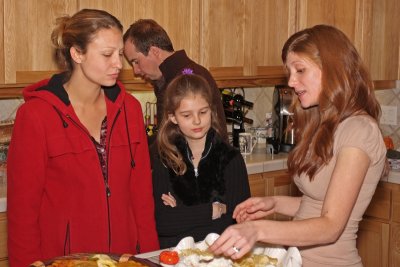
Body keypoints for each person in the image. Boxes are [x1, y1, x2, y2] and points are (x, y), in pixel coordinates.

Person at [209, 24, 389, 267]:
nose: (292, 82)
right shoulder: (325, 124)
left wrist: (257, 230)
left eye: (300, 70)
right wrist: (274, 203)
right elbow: (317, 205)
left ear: (333, 69)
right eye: (290, 72)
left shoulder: (359, 131)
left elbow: (330, 226)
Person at [7, 9, 159, 267]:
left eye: (120, 54)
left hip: (125, 260)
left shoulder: (130, 110)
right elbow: (23, 213)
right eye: (107, 55)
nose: (118, 65)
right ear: (77, 54)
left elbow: (142, 198)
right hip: (64, 262)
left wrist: (150, 259)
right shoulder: (35, 116)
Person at [150, 73, 250, 248]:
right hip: (175, 259)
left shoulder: (231, 158)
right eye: (187, 115)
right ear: (173, 117)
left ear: (211, 110)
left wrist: (181, 214)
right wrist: (212, 210)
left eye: (203, 112)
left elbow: (240, 222)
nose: (197, 121)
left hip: (220, 257)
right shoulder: (164, 159)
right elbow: (162, 223)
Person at [123, 19, 228, 142]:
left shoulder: (186, 79)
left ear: (155, 52)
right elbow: (168, 136)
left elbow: (179, 142)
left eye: (136, 61)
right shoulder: (167, 78)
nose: (135, 70)